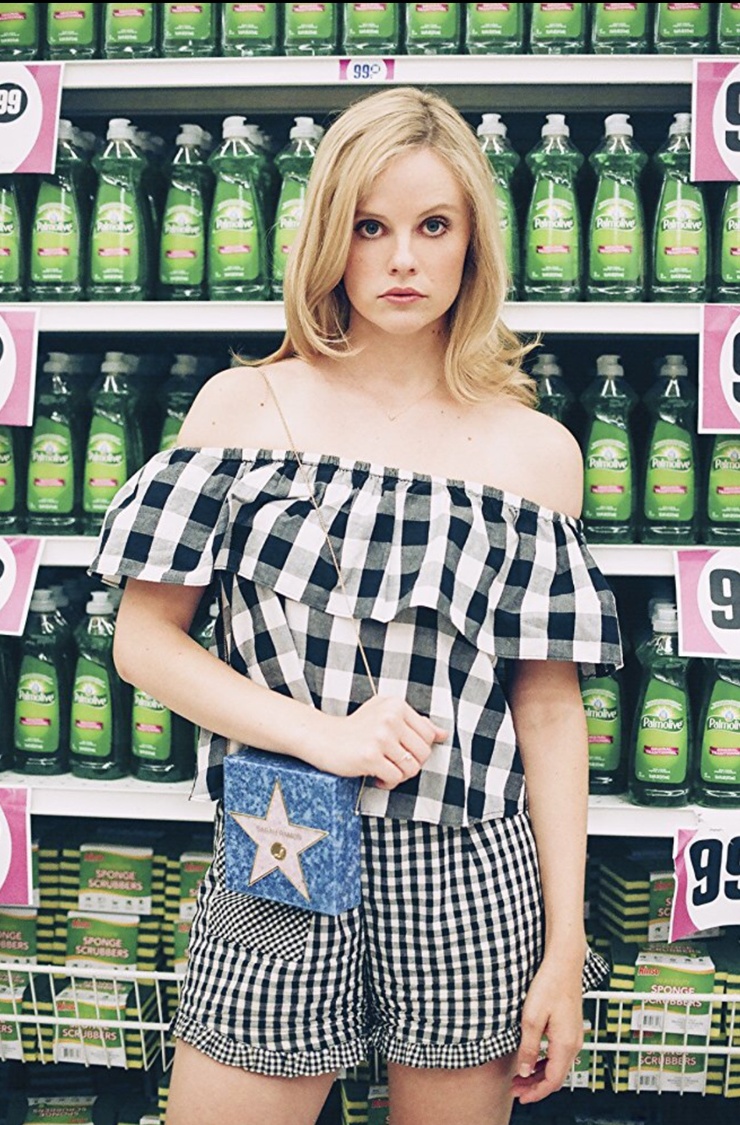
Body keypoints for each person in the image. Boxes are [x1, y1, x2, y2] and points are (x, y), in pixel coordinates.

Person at [89, 87, 622, 1125]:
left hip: (470, 866)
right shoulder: (245, 408)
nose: (401, 261)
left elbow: (549, 709)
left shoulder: (536, 452)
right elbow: (143, 643)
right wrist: (321, 735)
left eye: (434, 226)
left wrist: (565, 947)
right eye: (370, 227)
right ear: (328, 236)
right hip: (282, 832)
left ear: (474, 241)